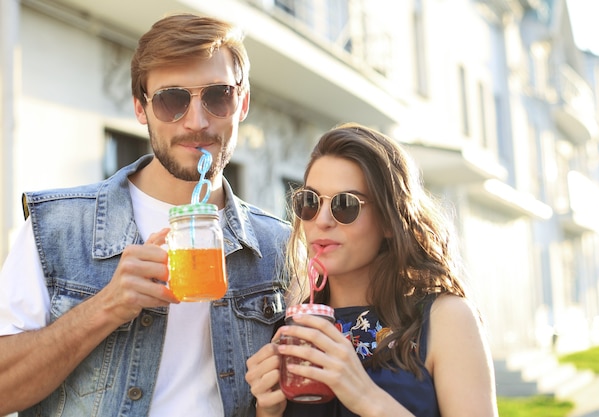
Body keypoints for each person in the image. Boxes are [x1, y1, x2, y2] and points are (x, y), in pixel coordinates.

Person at [0, 13, 290, 417]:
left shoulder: (280, 247)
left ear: (241, 104)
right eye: (172, 99)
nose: (197, 121)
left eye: (217, 96)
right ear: (141, 108)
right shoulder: (57, 228)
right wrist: (107, 307)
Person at [245, 123, 498, 417]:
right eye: (310, 202)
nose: (322, 220)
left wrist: (366, 397)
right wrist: (268, 411)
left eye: (345, 204)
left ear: (390, 220)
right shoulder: (295, 322)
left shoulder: (446, 318)